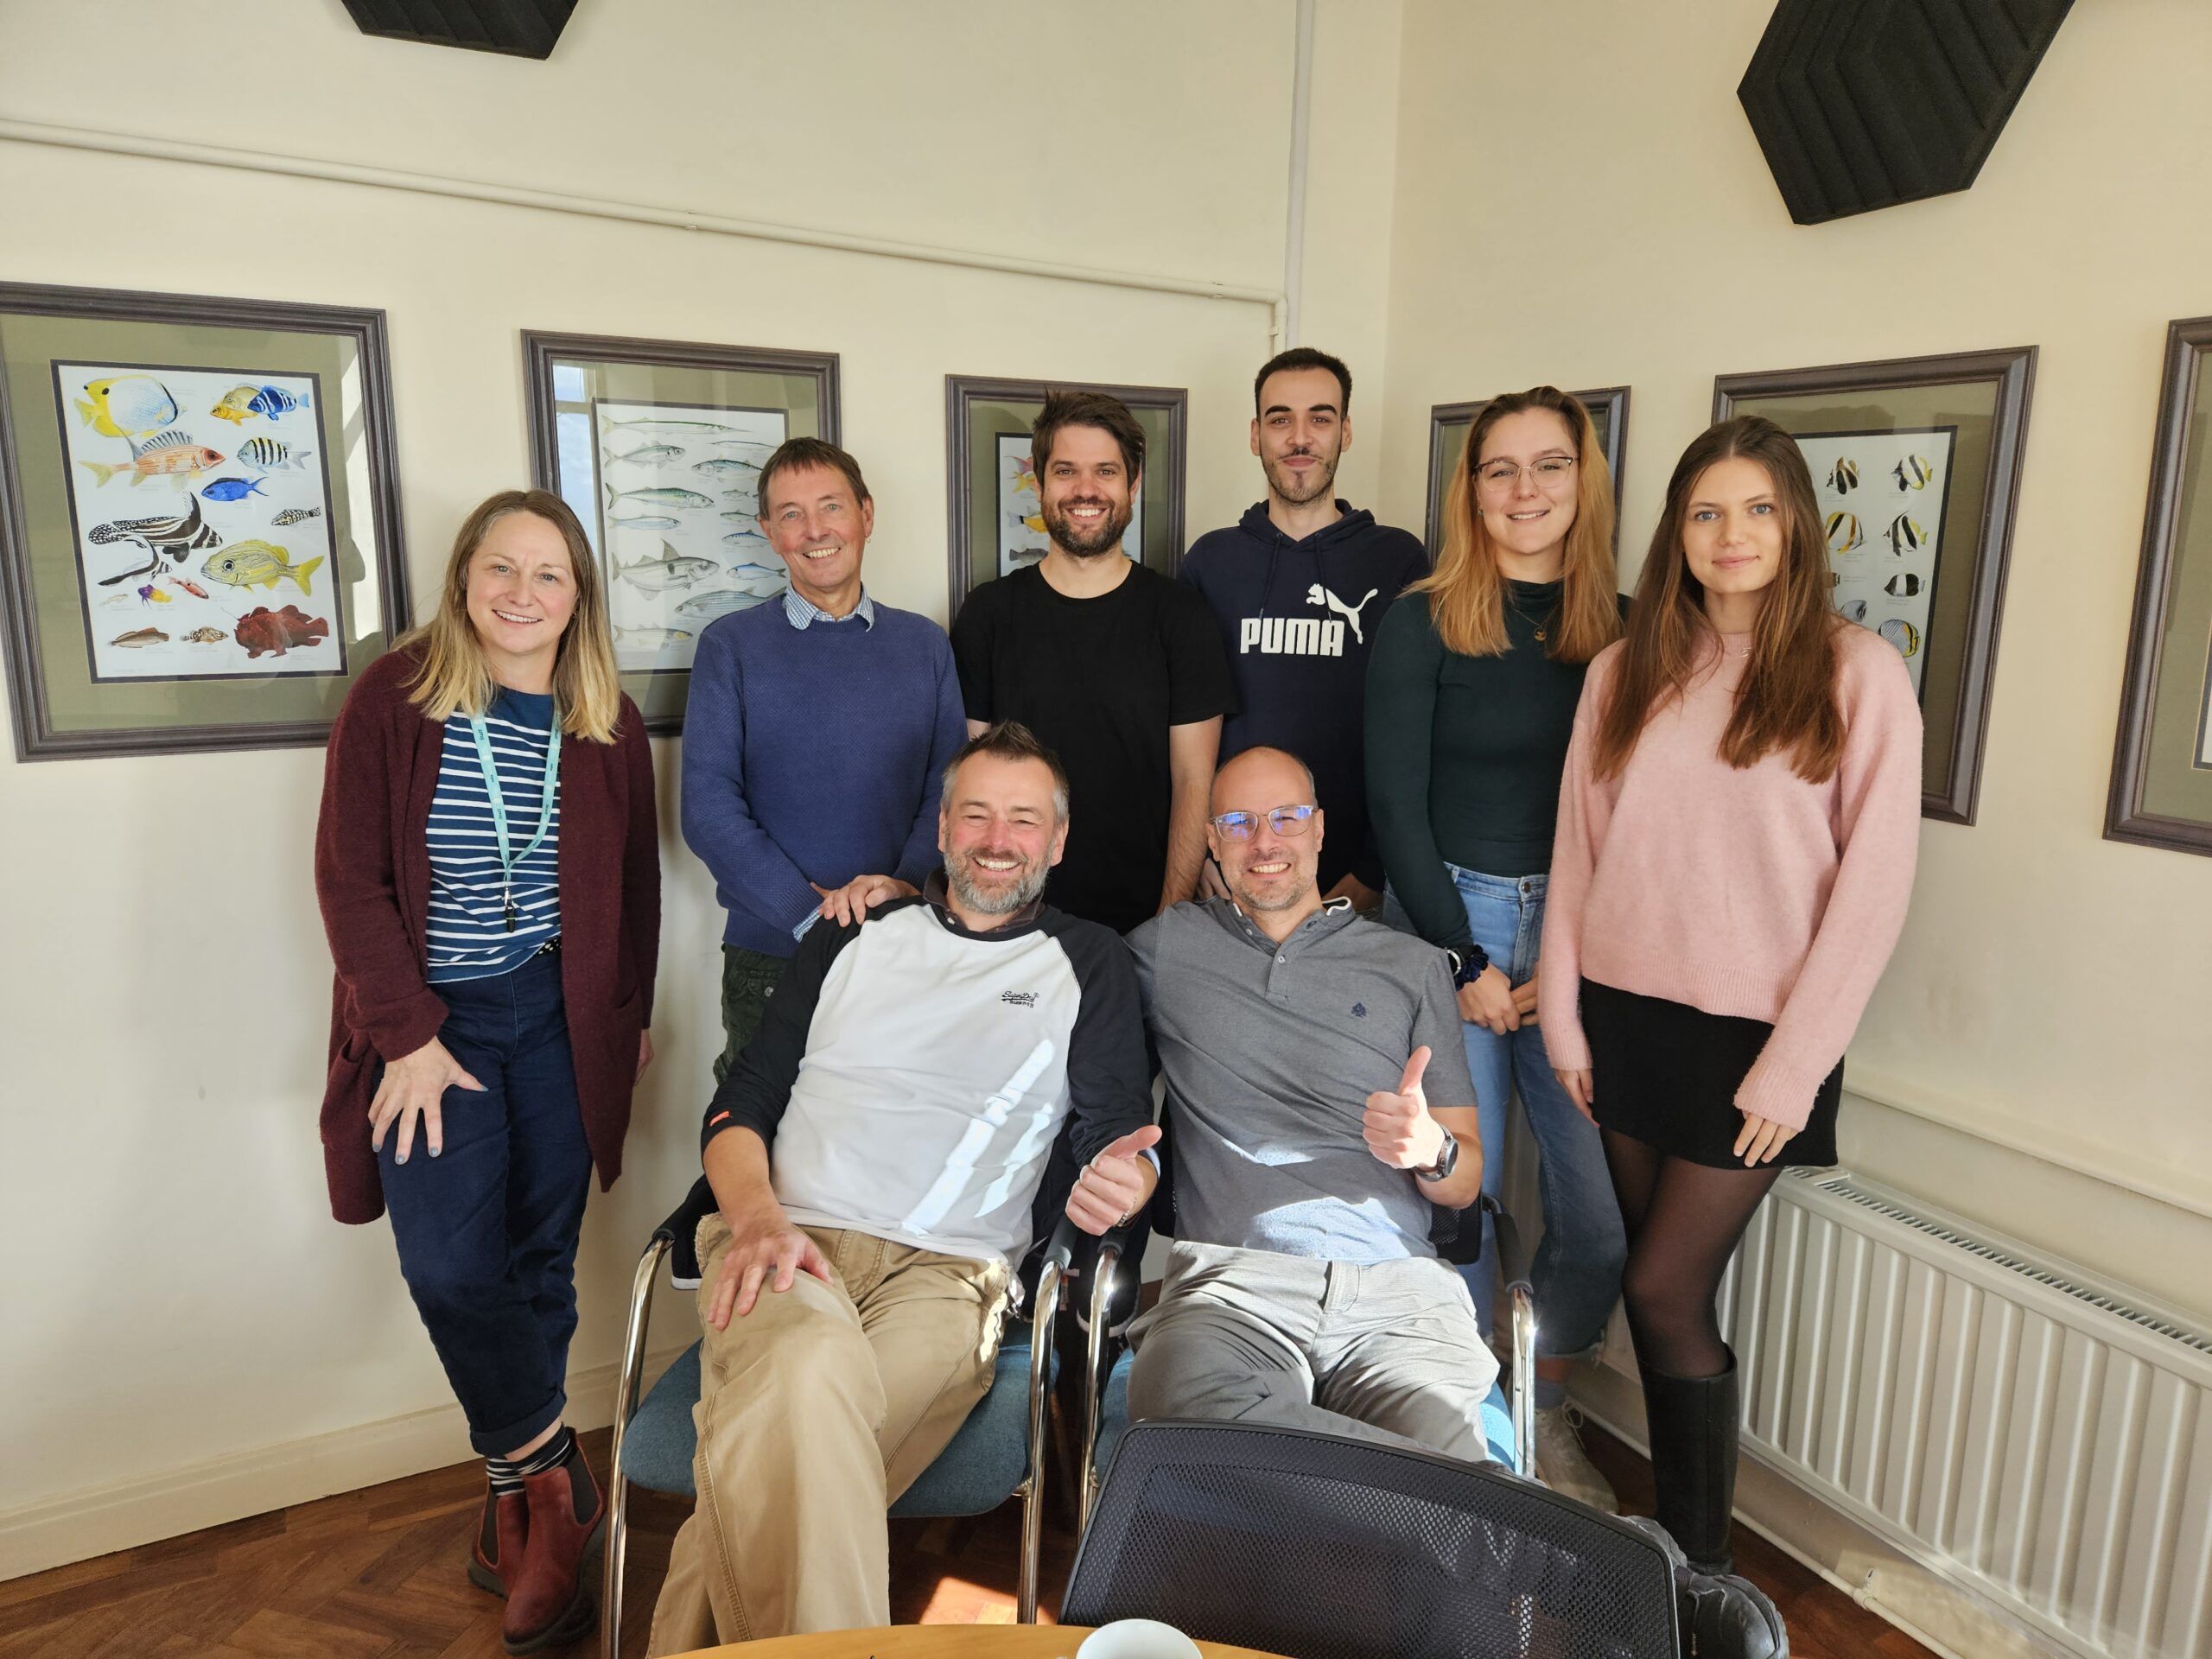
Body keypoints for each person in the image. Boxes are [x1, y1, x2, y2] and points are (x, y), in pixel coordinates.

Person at [647, 723, 1159, 1650]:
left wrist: (1127, 1177)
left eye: (1024, 820)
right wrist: (756, 1220)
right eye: (976, 815)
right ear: (943, 826)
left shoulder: (1090, 961)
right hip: (784, 1237)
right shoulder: (853, 933)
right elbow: (740, 1105)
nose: (997, 840)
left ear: (1057, 841)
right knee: (807, 1367)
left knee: (779, 1445)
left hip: (949, 1278)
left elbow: (1114, 1134)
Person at [1541, 415, 1921, 1572]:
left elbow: (1874, 888)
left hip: (1756, 1043)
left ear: (1796, 523)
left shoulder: (1857, 672)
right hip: (1623, 1024)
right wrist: (1563, 1021)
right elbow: (1578, 852)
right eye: (1706, 512)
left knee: (1663, 1288)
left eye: (1757, 509)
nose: (1731, 534)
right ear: (1678, 531)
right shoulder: (1624, 671)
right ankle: (1672, 1559)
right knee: (1657, 1294)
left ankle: (1698, 1579)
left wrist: (1794, 1069)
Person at [315, 489, 659, 1653]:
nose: (522, 592)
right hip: (435, 1021)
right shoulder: (396, 698)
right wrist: (406, 1035)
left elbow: (635, 887)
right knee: (451, 1264)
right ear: (464, 579)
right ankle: (554, 1477)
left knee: (538, 1258)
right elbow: (349, 881)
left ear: (578, 596)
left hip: (563, 1016)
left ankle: (517, 1501)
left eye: (548, 573)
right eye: (500, 568)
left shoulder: (605, 719)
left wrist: (625, 1015)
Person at [1363, 385, 1630, 1510]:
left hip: (1580, 934)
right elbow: (1393, 803)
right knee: (1457, 1205)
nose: (1525, 490)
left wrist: (1557, 959)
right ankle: (1473, 1445)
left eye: (1549, 465)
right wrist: (1463, 960)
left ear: (1584, 481)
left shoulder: (1626, 631)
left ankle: (1541, 1409)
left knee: (1599, 1220)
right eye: (1499, 469)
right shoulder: (1421, 621)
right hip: (1447, 922)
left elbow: (1637, 818)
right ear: (1469, 490)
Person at [1123, 746, 1500, 1462]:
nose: (1265, 842)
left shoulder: (1412, 965)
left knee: (1208, 1453)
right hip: (1233, 1292)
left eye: (1287, 818)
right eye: (1239, 823)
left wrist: (1432, 1150)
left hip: (1398, 1297)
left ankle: (1408, 1486)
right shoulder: (1164, 951)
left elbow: (1465, 1181)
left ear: (1320, 830)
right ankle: (1454, 1493)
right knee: (1176, 1401)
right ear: (1213, 841)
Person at [682, 436, 965, 1077]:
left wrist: (902, 891)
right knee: (757, 1128)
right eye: (792, 514)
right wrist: (810, 916)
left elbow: (949, 792)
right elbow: (707, 808)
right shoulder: (730, 647)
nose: (815, 530)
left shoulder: (925, 646)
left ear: (866, 514)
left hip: (906, 939)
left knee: (897, 1120)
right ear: (768, 531)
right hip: (771, 957)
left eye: (831, 506)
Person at [950, 390, 1235, 936]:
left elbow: (1194, 782)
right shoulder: (988, 614)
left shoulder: (1181, 617)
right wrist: (982, 923)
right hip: (1011, 924)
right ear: (1039, 484)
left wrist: (1167, 925)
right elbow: (971, 787)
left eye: (1105, 471)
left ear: (1133, 484)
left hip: (1141, 925)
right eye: (1066, 471)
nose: (1085, 490)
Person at [1181, 347, 1428, 911]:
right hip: (1237, 869)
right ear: (1255, 435)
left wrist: (1374, 869)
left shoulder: (1398, 561)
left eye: (1319, 418)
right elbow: (1185, 734)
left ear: (1345, 432)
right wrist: (1201, 850)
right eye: (1279, 419)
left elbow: (1419, 730)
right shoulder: (1210, 563)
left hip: (1363, 880)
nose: (1299, 438)